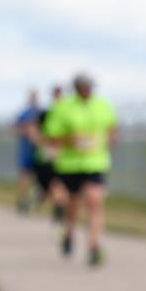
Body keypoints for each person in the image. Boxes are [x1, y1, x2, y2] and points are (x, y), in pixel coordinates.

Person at [44, 73, 117, 267]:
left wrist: (110, 140)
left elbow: (112, 129)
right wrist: (70, 141)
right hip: (70, 164)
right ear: (76, 88)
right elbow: (52, 137)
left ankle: (94, 246)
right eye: (83, 87)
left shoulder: (103, 105)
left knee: (95, 201)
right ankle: (69, 233)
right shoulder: (63, 108)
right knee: (73, 205)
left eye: (89, 87)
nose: (87, 90)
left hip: (95, 163)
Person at [32, 85, 68, 223]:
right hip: (48, 154)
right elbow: (36, 131)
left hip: (62, 155)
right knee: (52, 183)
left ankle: (59, 207)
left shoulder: (67, 113)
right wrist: (43, 142)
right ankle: (57, 204)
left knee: (58, 183)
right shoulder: (46, 113)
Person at [14, 90, 41, 214]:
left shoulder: (41, 113)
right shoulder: (24, 113)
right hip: (27, 150)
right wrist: (26, 130)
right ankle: (22, 200)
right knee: (25, 177)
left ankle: (30, 201)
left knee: (39, 180)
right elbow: (15, 129)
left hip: (40, 151)